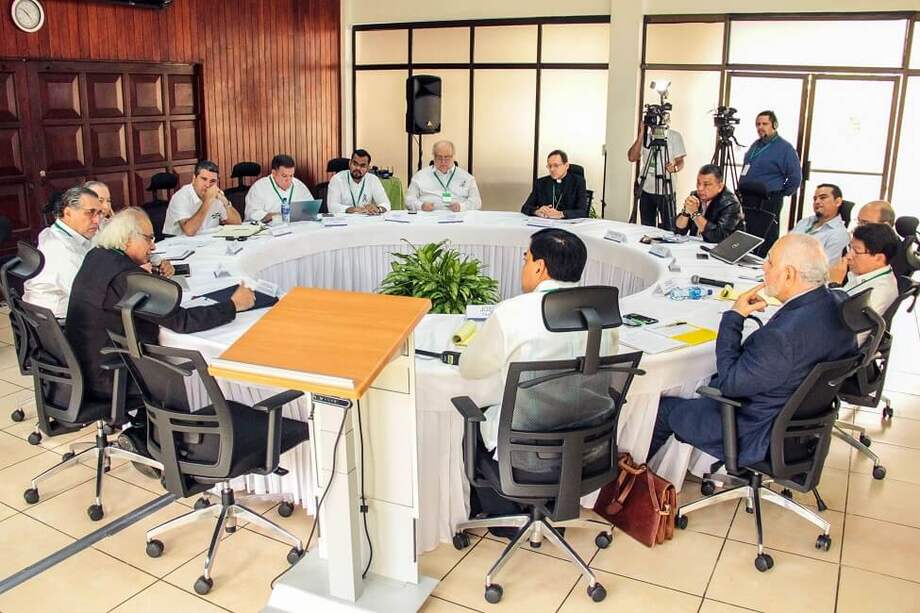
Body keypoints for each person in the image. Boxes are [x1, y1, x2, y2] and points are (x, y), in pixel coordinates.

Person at [648, 234, 856, 467]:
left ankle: (626, 483)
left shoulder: (781, 338)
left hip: (754, 431)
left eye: (769, 262)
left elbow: (729, 383)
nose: (763, 268)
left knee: (663, 410)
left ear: (788, 275)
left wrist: (734, 317)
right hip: (799, 427)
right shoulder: (840, 302)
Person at [459, 228, 618, 525]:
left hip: (524, 456)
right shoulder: (603, 313)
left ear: (539, 266)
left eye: (526, 258)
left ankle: (503, 516)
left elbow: (471, 369)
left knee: (473, 416)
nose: (524, 265)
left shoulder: (513, 313)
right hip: (589, 449)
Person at [23, 186, 103, 319]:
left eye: (99, 213)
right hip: (58, 322)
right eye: (90, 213)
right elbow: (89, 294)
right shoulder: (60, 248)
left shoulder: (55, 230)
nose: (97, 220)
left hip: (58, 311)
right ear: (68, 213)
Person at [738, 110, 802, 224]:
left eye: (764, 124)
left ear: (774, 125)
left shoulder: (785, 148)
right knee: (747, 233)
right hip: (748, 198)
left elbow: (795, 177)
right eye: (758, 124)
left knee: (766, 234)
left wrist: (780, 194)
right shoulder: (755, 145)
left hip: (768, 200)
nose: (760, 127)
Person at [831, 223, 900, 320]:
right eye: (850, 248)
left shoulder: (880, 291)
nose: (848, 256)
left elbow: (845, 327)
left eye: (856, 251)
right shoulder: (862, 274)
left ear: (879, 258)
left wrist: (834, 285)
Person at [627, 120, 686, 229]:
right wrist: (641, 134)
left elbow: (681, 161)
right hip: (646, 189)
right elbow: (632, 157)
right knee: (647, 227)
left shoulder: (674, 136)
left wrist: (675, 168)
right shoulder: (645, 137)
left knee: (669, 228)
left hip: (666, 190)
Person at [163, 160, 242, 236]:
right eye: (204, 179)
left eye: (212, 181)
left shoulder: (215, 193)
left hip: (207, 241)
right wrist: (208, 200)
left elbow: (237, 223)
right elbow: (189, 231)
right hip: (179, 243)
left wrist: (225, 202)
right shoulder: (181, 196)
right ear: (194, 178)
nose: (208, 185)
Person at [405, 140, 482, 212]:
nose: (443, 161)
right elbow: (409, 200)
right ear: (434, 157)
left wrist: (461, 207)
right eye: (439, 158)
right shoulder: (420, 176)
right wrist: (421, 206)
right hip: (428, 218)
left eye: (447, 157)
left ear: (453, 156)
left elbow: (477, 202)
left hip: (459, 217)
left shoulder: (467, 177)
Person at [674, 164, 744, 243]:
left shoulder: (730, 203)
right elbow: (679, 231)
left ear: (720, 187)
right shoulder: (695, 196)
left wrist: (695, 214)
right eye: (698, 183)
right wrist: (686, 212)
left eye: (706, 184)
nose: (700, 188)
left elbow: (717, 237)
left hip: (725, 250)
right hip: (697, 246)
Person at [244, 154, 314, 222]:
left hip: (295, 227)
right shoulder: (259, 187)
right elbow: (251, 214)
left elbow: (311, 207)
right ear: (274, 173)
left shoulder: (298, 184)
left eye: (291, 175)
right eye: (284, 176)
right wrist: (277, 216)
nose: (288, 180)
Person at [521, 150, 588, 219]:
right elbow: (525, 207)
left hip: (568, 226)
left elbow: (582, 212)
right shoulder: (541, 183)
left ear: (566, 166)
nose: (552, 169)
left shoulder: (578, 182)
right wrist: (537, 211)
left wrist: (561, 214)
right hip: (545, 225)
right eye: (549, 166)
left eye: (556, 165)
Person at [791, 184, 850, 261]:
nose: (817, 202)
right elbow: (784, 245)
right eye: (815, 199)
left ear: (838, 202)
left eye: (823, 198)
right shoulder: (804, 222)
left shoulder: (839, 234)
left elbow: (824, 267)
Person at [325, 149, 390, 215]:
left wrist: (378, 209)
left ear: (368, 168)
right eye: (355, 164)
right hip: (344, 221)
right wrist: (352, 209)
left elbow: (386, 204)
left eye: (362, 165)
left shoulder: (373, 179)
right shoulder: (337, 179)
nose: (358, 168)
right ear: (350, 163)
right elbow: (332, 206)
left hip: (365, 221)